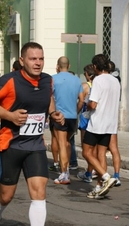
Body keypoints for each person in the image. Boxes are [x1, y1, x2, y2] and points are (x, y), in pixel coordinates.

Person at [0, 42, 64, 226]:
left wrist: (54, 113)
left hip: (35, 145)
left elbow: (48, 99)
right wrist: (9, 116)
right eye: (33, 59)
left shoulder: (47, 80)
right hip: (11, 145)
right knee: (6, 196)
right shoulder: (10, 80)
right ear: (22, 60)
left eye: (41, 59)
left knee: (39, 190)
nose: (38, 63)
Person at [83, 54, 120, 199]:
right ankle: (100, 186)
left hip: (97, 122)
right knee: (101, 153)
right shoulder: (115, 81)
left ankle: (105, 177)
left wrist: (86, 104)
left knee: (86, 152)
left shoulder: (98, 80)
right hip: (110, 123)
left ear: (96, 67)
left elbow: (93, 103)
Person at [52, 56, 84, 185]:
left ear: (58, 66)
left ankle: (64, 174)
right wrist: (75, 112)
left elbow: (49, 98)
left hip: (60, 115)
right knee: (68, 143)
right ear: (69, 66)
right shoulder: (77, 80)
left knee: (61, 144)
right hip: (72, 116)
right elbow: (81, 100)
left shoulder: (53, 79)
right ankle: (68, 170)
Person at [77, 64, 97, 183]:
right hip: (95, 118)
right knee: (94, 147)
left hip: (85, 117)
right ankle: (92, 169)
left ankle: (90, 171)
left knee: (85, 147)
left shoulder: (84, 86)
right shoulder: (99, 85)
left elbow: (80, 101)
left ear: (87, 75)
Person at [107, 60, 122, 186]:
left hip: (102, 120)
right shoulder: (117, 82)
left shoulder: (103, 81)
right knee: (114, 149)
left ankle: (103, 175)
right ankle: (117, 175)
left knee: (99, 150)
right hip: (112, 118)